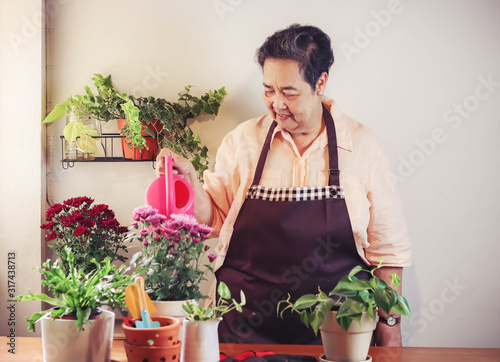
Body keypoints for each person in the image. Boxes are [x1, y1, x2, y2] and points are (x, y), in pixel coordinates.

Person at [156, 24, 411, 346]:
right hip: (244, 330)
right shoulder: (243, 140)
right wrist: (187, 180)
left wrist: (391, 336)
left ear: (320, 82)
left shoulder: (362, 146)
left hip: (338, 333)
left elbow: (388, 255)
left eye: (289, 92)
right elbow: (213, 218)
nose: (276, 103)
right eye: (268, 90)